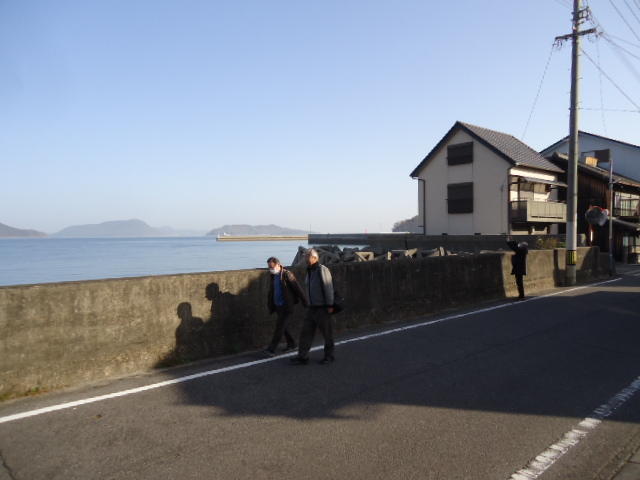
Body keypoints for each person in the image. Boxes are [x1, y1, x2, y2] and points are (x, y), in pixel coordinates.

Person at [290, 248, 335, 365]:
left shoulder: (322, 270)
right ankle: (302, 356)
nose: (305, 258)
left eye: (307, 256)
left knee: (327, 333)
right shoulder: (309, 271)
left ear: (314, 258)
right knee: (305, 332)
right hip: (311, 308)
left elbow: (328, 287)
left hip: (322, 307)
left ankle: (329, 356)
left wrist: (330, 305)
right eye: (305, 256)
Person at [264, 257, 307, 356]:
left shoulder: (287, 274)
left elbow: (297, 288)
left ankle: (271, 349)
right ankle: (292, 344)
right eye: (269, 267)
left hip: (287, 306)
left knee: (279, 327)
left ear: (278, 265)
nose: (270, 269)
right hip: (278, 306)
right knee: (284, 327)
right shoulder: (273, 275)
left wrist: (305, 302)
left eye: (272, 267)